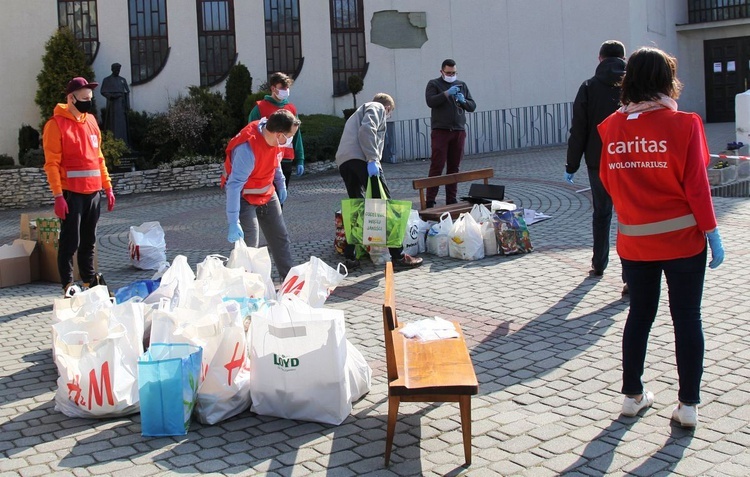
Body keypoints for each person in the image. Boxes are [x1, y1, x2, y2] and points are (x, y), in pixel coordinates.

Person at [597, 47, 725, 429]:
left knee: (639, 314)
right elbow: (697, 186)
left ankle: (632, 396)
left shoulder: (611, 128)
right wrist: (712, 232)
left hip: (635, 242)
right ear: (667, 80)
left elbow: (607, 181)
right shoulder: (684, 124)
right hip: (683, 241)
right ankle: (688, 406)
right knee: (687, 317)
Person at [42, 77, 116, 296]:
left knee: (89, 241)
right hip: (70, 193)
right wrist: (58, 195)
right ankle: (67, 285)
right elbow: (51, 164)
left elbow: (99, 157)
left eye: (90, 99)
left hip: (93, 192)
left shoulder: (91, 121)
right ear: (70, 98)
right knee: (69, 241)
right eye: (84, 99)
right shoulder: (55, 125)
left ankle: (89, 281)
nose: (88, 102)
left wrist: (108, 187)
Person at [564, 41, 627, 291]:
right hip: (629, 159)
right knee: (628, 216)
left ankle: (599, 264)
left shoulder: (589, 86)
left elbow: (578, 128)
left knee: (601, 213)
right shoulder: (634, 86)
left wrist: (571, 164)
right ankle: (630, 276)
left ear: (599, 58)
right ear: (624, 58)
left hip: (598, 159)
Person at [335, 93, 423, 269]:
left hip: (345, 162)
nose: (387, 115)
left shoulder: (358, 112)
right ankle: (398, 257)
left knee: (356, 208)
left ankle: (350, 256)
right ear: (388, 107)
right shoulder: (376, 107)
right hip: (363, 160)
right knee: (384, 207)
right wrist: (372, 159)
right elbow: (367, 130)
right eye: (389, 113)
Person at [223, 109, 299, 280]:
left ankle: (289, 282)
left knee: (280, 238)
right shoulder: (247, 150)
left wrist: (280, 183)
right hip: (245, 198)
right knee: (249, 245)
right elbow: (234, 186)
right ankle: (238, 284)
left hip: (267, 193)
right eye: (289, 135)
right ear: (279, 134)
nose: (290, 140)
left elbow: (276, 161)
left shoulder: (275, 140)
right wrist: (233, 221)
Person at [424, 59, 476, 208]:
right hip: (441, 131)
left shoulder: (462, 85)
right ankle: (430, 199)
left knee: (454, 166)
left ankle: (451, 198)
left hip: (458, 130)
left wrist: (463, 101)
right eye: (448, 73)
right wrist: (446, 93)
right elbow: (430, 101)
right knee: (437, 165)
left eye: (453, 73)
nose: (451, 75)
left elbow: (472, 106)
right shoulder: (434, 84)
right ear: (441, 72)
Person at [248, 72, 305, 191]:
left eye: (287, 88)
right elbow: (250, 136)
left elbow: (297, 136)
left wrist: (300, 159)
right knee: (267, 199)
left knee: (280, 201)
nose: (286, 90)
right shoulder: (259, 109)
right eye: (282, 88)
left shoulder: (291, 109)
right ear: (273, 88)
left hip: (285, 159)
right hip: (266, 161)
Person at [100, 63, 130, 145]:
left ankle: (124, 144)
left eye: (119, 70)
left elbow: (127, 92)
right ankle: (114, 143)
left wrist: (127, 105)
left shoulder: (122, 80)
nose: (118, 71)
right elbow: (103, 91)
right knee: (113, 124)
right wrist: (111, 96)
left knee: (122, 125)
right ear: (112, 69)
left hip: (122, 105)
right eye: (116, 69)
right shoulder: (107, 80)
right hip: (113, 105)